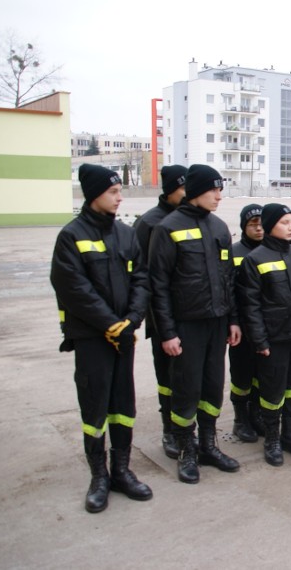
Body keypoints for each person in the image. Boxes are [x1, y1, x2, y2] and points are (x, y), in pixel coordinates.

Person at [51, 164, 152, 513]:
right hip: (93, 338)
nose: (120, 197)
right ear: (94, 194)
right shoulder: (72, 235)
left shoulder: (126, 234)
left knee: (123, 405)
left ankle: (122, 471)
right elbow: (74, 289)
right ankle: (99, 476)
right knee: (95, 407)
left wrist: (131, 321)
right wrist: (110, 325)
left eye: (120, 191)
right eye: (113, 192)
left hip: (123, 336)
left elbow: (142, 280)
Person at [148, 164, 241, 484]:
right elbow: (157, 285)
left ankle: (208, 446)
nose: (219, 195)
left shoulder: (218, 227)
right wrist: (167, 332)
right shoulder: (168, 228)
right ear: (196, 190)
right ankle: (187, 452)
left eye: (220, 189)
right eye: (214, 189)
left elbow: (229, 279)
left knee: (213, 388)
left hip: (216, 323)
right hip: (186, 326)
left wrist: (232, 320)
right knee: (186, 391)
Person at [238, 204, 291, 466]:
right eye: (285, 223)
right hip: (274, 339)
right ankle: (272, 439)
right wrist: (260, 340)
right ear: (271, 224)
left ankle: (290, 434)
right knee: (272, 391)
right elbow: (250, 306)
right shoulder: (256, 259)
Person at [132, 164, 187, 460]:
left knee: (188, 378)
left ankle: (187, 429)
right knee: (167, 378)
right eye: (183, 188)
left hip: (191, 316)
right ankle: (169, 428)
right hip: (162, 317)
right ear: (170, 190)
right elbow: (144, 277)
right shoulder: (150, 223)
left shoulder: (194, 219)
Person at [228, 204, 264, 443]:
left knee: (261, 373)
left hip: (264, 324)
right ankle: (240, 419)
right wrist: (232, 322)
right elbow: (228, 291)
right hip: (241, 325)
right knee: (241, 374)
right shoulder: (234, 252)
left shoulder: (270, 251)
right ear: (244, 226)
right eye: (253, 224)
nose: (259, 228)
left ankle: (256, 414)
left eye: (262, 223)